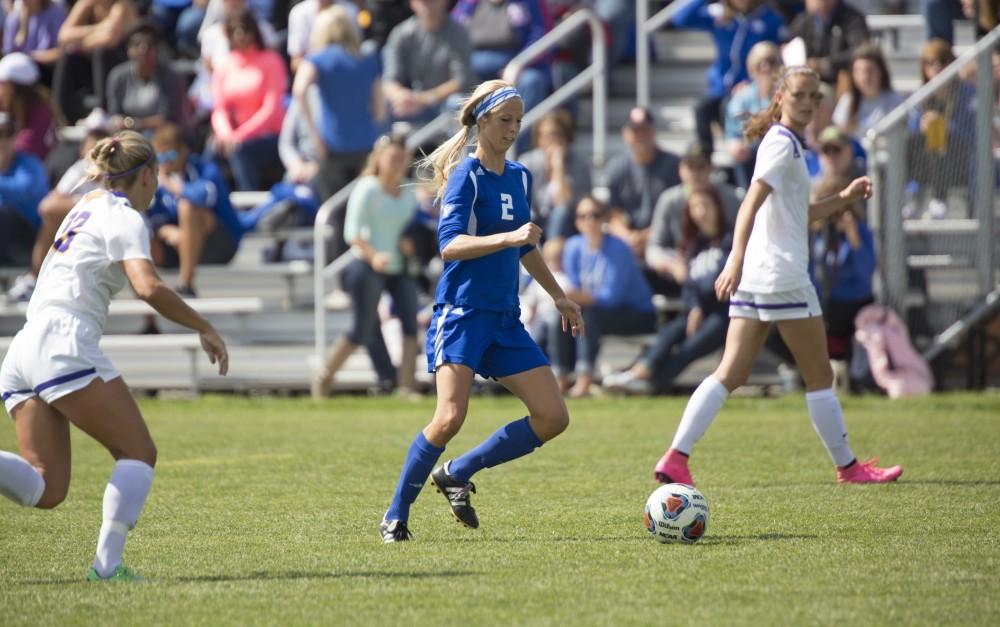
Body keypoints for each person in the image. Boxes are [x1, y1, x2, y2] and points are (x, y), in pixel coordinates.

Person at [651, 66, 904, 487]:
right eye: (800, 94)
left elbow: (796, 214)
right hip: (782, 276)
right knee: (820, 375)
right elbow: (750, 202)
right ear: (781, 95)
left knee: (730, 373)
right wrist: (734, 258)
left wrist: (842, 199)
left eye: (814, 97)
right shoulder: (782, 144)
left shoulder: (786, 144)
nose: (807, 103)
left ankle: (676, 456)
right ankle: (849, 468)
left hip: (759, 275)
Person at [0, 131, 228, 581]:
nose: (158, 186)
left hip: (23, 349)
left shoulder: (83, 206)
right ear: (144, 175)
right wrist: (204, 326)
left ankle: (107, 568)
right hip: (64, 342)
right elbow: (148, 287)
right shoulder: (124, 216)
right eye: (156, 176)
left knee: (46, 487)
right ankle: (107, 568)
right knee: (138, 451)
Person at [379, 80, 584, 543]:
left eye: (518, 120)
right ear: (483, 121)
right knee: (450, 416)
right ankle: (395, 515)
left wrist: (557, 295)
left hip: (504, 317)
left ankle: (459, 471)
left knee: (553, 417)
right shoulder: (465, 176)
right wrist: (509, 238)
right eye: (505, 119)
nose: (513, 128)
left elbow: (526, 247)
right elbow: (449, 245)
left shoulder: (520, 176)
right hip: (463, 313)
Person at [311, 134, 422, 398]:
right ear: (379, 159)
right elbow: (353, 234)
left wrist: (409, 244)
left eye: (401, 158)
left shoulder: (408, 190)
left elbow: (409, 226)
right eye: (392, 158)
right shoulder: (367, 188)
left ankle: (406, 385)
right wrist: (374, 256)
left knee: (410, 323)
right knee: (361, 329)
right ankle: (323, 379)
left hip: (398, 265)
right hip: (368, 265)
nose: (397, 164)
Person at [606, 189, 732, 395]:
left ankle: (649, 383)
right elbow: (690, 286)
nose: (701, 212)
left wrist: (698, 304)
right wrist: (695, 307)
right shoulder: (694, 245)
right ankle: (639, 372)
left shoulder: (731, 240)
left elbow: (717, 283)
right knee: (670, 333)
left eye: (706, 206)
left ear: (717, 207)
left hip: (724, 312)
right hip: (699, 308)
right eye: (695, 207)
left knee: (690, 347)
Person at [551, 196, 656, 398]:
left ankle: (584, 380)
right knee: (561, 316)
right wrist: (569, 298)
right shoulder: (573, 246)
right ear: (576, 222)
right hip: (596, 311)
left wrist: (572, 296)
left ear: (604, 219)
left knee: (588, 318)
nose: (589, 220)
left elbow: (611, 297)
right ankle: (559, 379)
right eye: (582, 216)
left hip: (637, 313)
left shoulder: (619, 248)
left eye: (594, 215)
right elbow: (573, 286)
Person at [668, 0, 786, 156]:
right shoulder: (720, 14)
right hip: (720, 87)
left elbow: (774, 57)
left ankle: (734, 153)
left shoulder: (770, 18)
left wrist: (753, 82)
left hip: (750, 87)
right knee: (702, 109)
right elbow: (680, 18)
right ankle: (706, 159)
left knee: (729, 107)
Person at [293, 5, 385, 204]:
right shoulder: (368, 59)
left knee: (335, 212)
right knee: (362, 209)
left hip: (333, 145)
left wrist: (313, 135)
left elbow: (299, 89)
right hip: (365, 144)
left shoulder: (318, 59)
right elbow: (380, 111)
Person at [7, 127, 108, 304]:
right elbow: (48, 206)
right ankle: (34, 278)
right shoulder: (79, 169)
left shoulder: (120, 174)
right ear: (83, 150)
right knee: (50, 219)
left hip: (111, 238)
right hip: (84, 237)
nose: (94, 156)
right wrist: (92, 203)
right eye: (91, 149)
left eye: (100, 150)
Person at [147, 124, 242, 297]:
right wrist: (166, 231)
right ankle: (149, 305)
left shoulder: (205, 169)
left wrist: (171, 185)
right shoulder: (154, 180)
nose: (165, 162)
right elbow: (149, 215)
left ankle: (186, 285)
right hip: (177, 246)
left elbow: (203, 197)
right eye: (160, 157)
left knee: (188, 207)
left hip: (218, 244)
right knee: (136, 230)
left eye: (171, 155)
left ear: (184, 151)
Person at [646, 143, 740, 297]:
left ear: (711, 168)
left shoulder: (730, 198)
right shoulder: (670, 200)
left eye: (701, 167)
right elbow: (654, 247)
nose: (695, 173)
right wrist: (670, 264)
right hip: (682, 269)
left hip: (719, 267)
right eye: (691, 167)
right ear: (681, 170)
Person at [210, 8, 286, 191]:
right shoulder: (225, 65)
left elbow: (272, 109)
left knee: (240, 151)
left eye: (244, 30)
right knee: (211, 152)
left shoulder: (271, 60)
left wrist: (241, 135)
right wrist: (226, 134)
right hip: (234, 136)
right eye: (235, 31)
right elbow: (219, 108)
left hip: (269, 136)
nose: (240, 35)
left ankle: (249, 202)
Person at [809, 175, 875, 367]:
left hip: (854, 302)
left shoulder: (859, 229)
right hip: (826, 302)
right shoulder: (819, 234)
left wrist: (853, 237)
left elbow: (866, 272)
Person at [605, 107, 681, 259]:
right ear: (625, 135)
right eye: (635, 131)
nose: (640, 137)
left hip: (666, 238)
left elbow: (678, 212)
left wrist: (645, 237)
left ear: (653, 132)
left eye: (644, 130)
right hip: (628, 239)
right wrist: (628, 236)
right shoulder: (617, 167)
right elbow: (613, 212)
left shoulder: (673, 165)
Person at [382, 0, 472, 124]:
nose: (428, 3)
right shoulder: (401, 33)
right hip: (409, 104)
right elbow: (389, 80)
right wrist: (400, 96)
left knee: (456, 103)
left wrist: (423, 99)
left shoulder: (458, 33)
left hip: (441, 103)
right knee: (384, 103)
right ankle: (389, 143)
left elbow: (461, 80)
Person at [518, 108, 591, 240]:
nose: (550, 141)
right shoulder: (527, 162)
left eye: (555, 135)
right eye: (545, 136)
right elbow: (523, 204)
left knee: (560, 213)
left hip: (568, 227)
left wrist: (558, 166)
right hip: (535, 221)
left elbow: (564, 203)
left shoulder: (580, 165)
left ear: (566, 137)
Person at [105, 20, 187, 135]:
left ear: (157, 49)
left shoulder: (171, 77)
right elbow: (114, 115)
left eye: (149, 44)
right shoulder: (118, 76)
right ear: (128, 50)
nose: (143, 49)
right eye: (136, 44)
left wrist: (133, 123)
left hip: (162, 137)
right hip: (127, 135)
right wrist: (122, 124)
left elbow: (167, 119)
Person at [723, 42, 779, 190]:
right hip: (751, 148)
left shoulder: (786, 93)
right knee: (742, 150)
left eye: (771, 62)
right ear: (752, 68)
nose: (766, 67)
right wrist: (733, 144)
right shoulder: (742, 96)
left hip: (778, 146)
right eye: (760, 63)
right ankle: (747, 196)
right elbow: (734, 128)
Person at [0, 112, 49, 269]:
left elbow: (25, 190)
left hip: (27, 243)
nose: (2, 140)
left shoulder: (29, 163)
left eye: (7, 133)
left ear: (15, 136)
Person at [786, 0, 870, 88]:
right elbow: (788, 46)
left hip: (838, 85)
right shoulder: (802, 21)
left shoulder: (852, 19)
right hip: (804, 81)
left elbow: (860, 51)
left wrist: (825, 65)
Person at [832, 43, 905, 137]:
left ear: (881, 72)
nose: (864, 78)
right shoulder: (847, 100)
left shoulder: (895, 100)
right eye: (858, 71)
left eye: (869, 71)